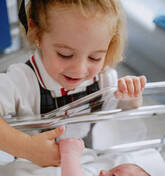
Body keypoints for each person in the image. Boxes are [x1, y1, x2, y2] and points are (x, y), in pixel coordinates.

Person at [0, 0, 146, 167]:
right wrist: (26, 147)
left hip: (84, 166)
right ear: (37, 34)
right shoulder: (22, 81)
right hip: (32, 173)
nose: (79, 70)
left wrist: (130, 96)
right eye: (65, 54)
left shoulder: (104, 78)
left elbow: (125, 108)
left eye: (94, 58)